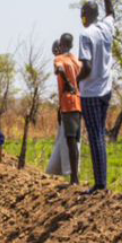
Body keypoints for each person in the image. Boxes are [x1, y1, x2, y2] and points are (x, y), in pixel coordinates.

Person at [78, 0, 116, 194]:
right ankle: (101, 181)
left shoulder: (87, 34)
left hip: (91, 92)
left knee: (95, 136)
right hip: (106, 89)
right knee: (99, 134)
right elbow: (111, 12)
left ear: (84, 14)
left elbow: (87, 67)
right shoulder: (106, 28)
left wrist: (75, 80)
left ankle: (100, 184)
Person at [55, 33, 83, 185]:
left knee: (71, 141)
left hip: (68, 102)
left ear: (61, 44)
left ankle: (74, 178)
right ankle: (74, 176)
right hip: (79, 102)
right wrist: (76, 86)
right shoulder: (76, 60)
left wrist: (68, 83)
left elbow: (59, 70)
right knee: (75, 141)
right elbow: (83, 74)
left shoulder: (59, 59)